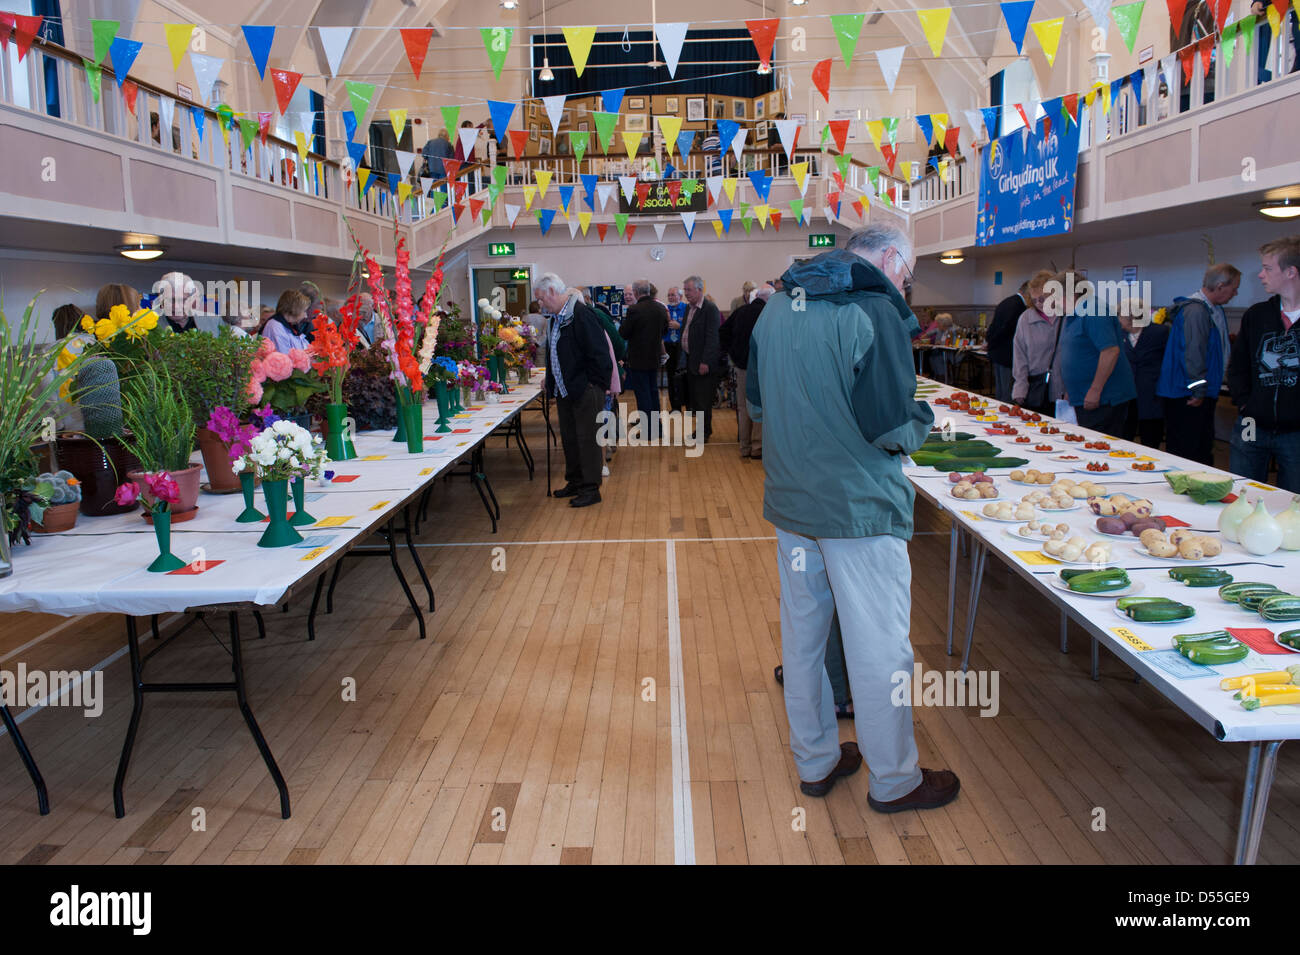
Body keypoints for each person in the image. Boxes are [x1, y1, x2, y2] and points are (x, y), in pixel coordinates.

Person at [747, 222, 959, 812]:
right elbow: (891, 426)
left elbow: (758, 406)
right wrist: (924, 423)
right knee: (879, 648)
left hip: (793, 505)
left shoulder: (775, 309)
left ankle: (815, 762)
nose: (906, 287)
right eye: (909, 275)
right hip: (859, 510)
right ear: (890, 259)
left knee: (804, 640)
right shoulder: (875, 311)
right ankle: (895, 780)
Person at [1227, 235, 1300, 492]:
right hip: (1251, 424)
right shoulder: (1257, 315)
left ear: (1291, 272)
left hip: (1295, 432)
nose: (1260, 275)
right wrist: (1246, 402)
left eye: (1268, 268)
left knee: (1293, 503)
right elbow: (1238, 366)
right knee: (1242, 493)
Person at [537, 273, 612, 507]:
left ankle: (591, 488)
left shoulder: (581, 314)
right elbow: (553, 356)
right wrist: (550, 382)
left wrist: (594, 384)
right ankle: (576, 481)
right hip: (565, 390)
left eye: (540, 299)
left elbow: (600, 354)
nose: (539, 304)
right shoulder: (554, 319)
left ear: (552, 292)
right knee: (570, 438)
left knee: (587, 439)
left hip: (585, 390)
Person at [1157, 263, 1240, 464]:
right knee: (1188, 453)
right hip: (1187, 393)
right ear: (1220, 285)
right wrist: (1198, 389)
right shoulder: (1195, 310)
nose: (1236, 293)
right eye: (1234, 288)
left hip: (1199, 390)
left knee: (1201, 449)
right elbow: (1192, 353)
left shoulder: (1213, 309)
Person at [1056, 271, 1138, 434]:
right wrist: (1071, 391)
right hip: (1083, 396)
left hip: (1104, 399)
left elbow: (1110, 351)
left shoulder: (1094, 311)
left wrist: (1095, 390)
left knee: (1098, 448)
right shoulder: (1074, 314)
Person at [720, 282, 771, 459]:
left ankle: (744, 446)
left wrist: (734, 355)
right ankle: (758, 448)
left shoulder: (740, 312)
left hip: (741, 366)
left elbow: (723, 333)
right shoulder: (769, 313)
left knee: (743, 407)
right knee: (760, 405)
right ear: (768, 298)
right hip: (763, 367)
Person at [1011, 270, 1066, 414]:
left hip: (1064, 391)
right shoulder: (1025, 319)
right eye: (1034, 300)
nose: (1039, 303)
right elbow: (1019, 356)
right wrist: (1020, 389)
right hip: (1036, 388)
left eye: (1042, 298)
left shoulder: (1066, 316)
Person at [1119, 298, 1170, 448]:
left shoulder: (1160, 332)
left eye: (1120, 315)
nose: (1118, 319)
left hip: (1151, 394)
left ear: (1131, 317)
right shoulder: (1119, 333)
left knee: (1150, 439)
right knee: (1124, 438)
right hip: (1126, 395)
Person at [679, 275, 721, 443]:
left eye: (688, 290)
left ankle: (704, 433)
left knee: (703, 399)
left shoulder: (710, 309)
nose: (686, 293)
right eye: (685, 290)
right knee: (696, 399)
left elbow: (713, 338)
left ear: (699, 289)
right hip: (691, 360)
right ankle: (702, 429)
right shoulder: (690, 308)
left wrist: (705, 361)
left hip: (703, 362)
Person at [619, 279, 668, 421]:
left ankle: (648, 429)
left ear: (635, 292)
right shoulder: (659, 308)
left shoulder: (634, 310)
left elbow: (623, 333)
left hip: (638, 360)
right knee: (653, 392)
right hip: (654, 358)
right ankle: (656, 427)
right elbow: (664, 331)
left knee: (643, 394)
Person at [987, 281, 1030, 403]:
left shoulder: (1006, 301)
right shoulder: (1018, 306)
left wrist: (990, 343)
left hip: (997, 352)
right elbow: (1006, 330)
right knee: (1007, 391)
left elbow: (993, 326)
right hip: (1008, 353)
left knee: (1000, 390)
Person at [262, 289, 311, 354]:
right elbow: (284, 357)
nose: (305, 316)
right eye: (304, 311)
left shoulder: (290, 326)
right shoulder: (275, 326)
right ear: (295, 309)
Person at [663, 286, 688, 410]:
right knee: (671, 377)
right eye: (669, 295)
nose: (671, 297)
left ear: (680, 296)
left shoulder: (686, 308)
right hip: (668, 346)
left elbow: (692, 327)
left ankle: (689, 406)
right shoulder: (665, 310)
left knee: (685, 376)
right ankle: (675, 407)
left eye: (673, 295)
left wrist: (680, 326)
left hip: (682, 346)